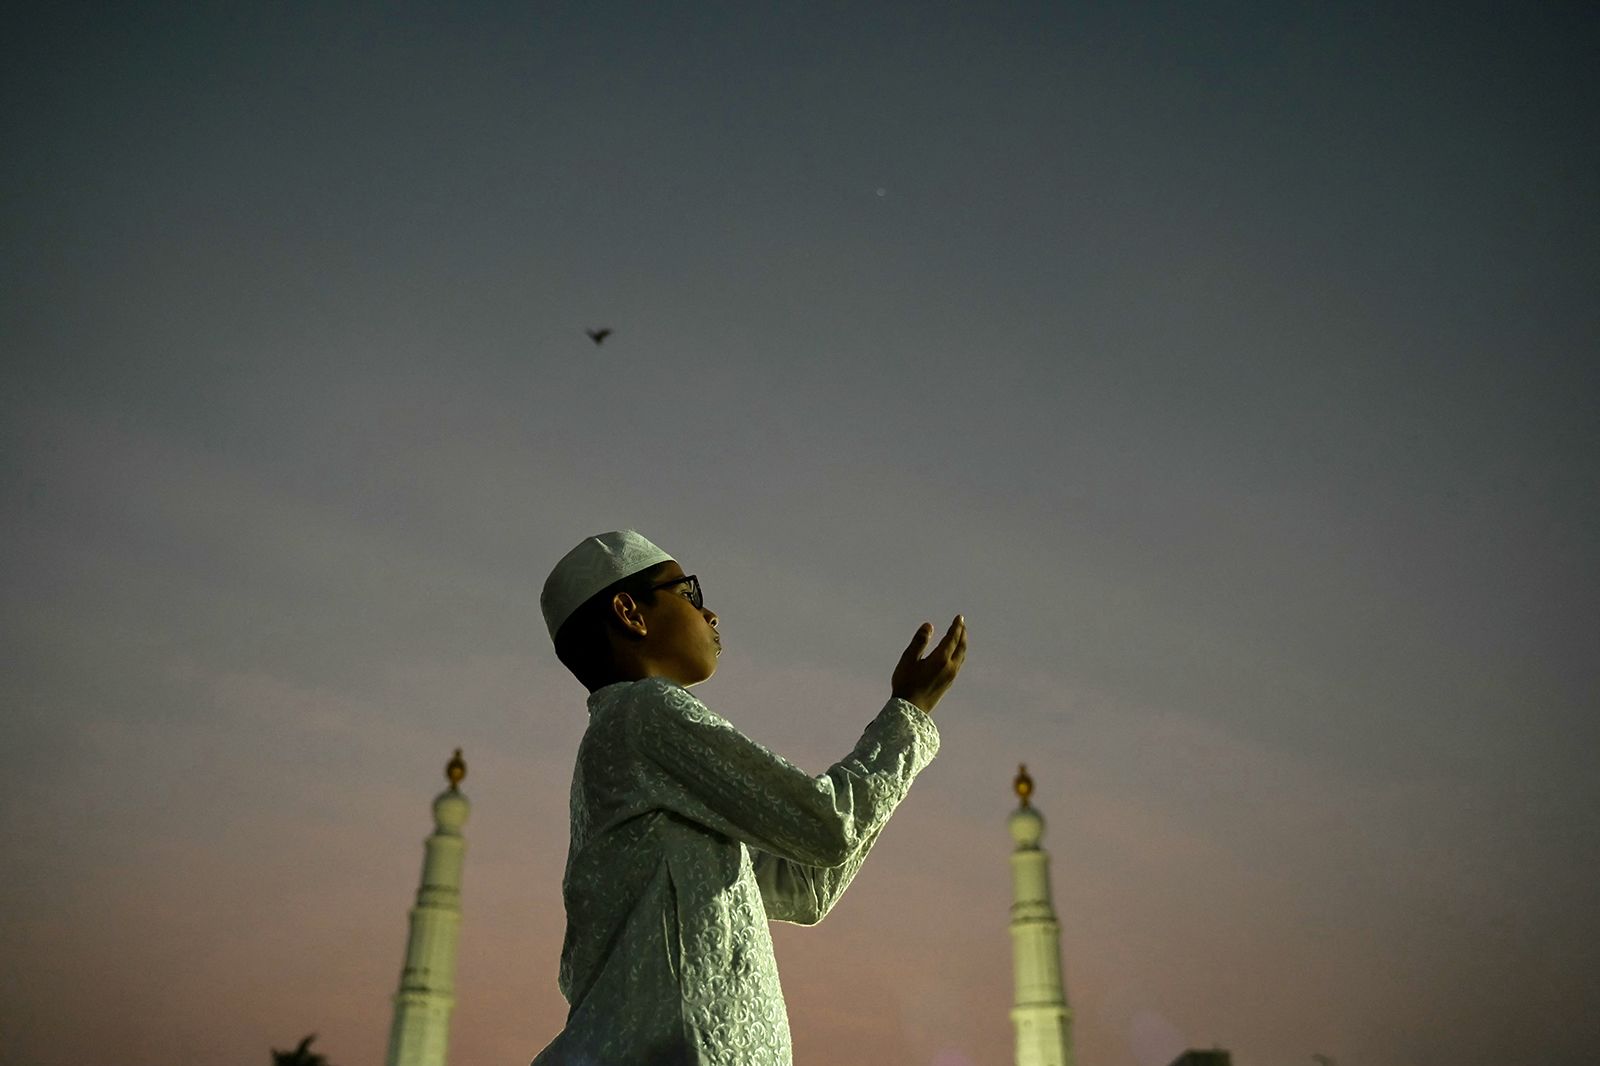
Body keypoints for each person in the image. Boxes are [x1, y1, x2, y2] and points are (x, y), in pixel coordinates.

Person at [530, 530, 967, 1066]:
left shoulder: (638, 753)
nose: (710, 615)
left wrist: (907, 721)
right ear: (630, 612)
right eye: (689, 594)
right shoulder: (643, 713)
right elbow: (827, 828)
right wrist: (907, 715)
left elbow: (806, 885)